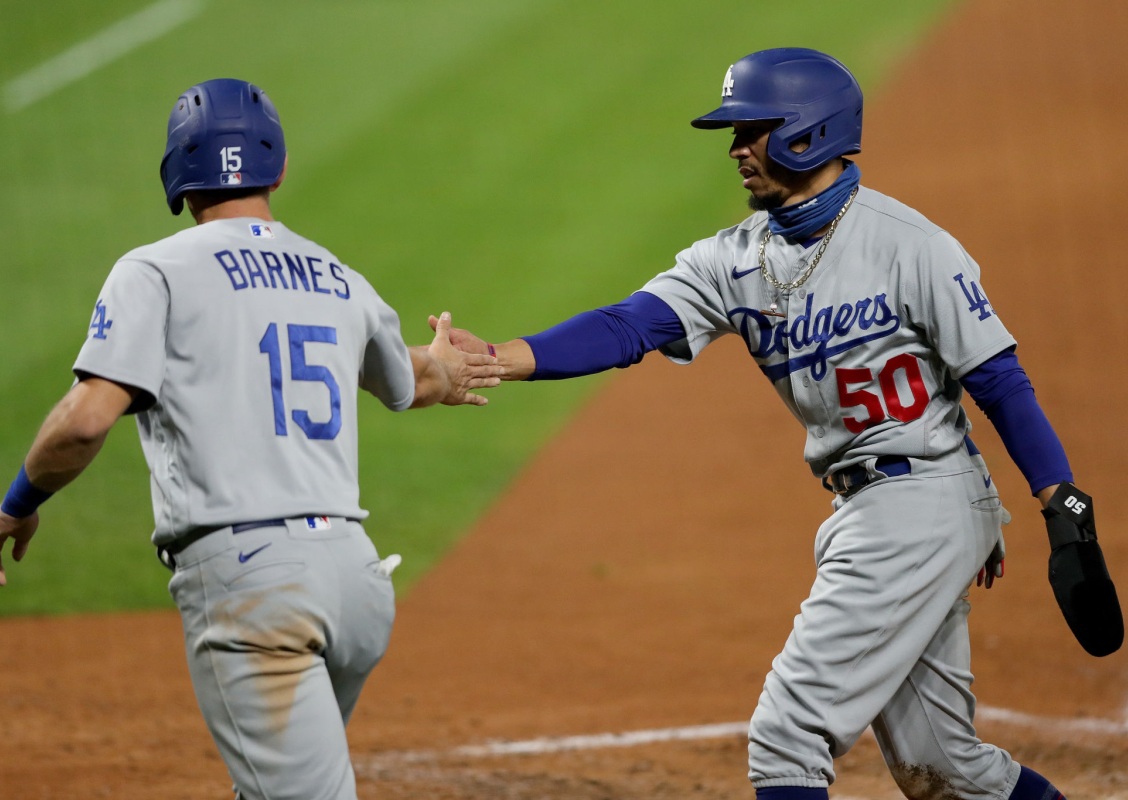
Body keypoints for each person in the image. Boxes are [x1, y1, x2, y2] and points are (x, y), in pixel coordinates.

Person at [435, 49, 1076, 800]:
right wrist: (502, 359)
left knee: (787, 735)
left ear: (810, 132)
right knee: (947, 767)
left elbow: (997, 380)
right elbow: (627, 326)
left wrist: (1061, 504)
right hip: (881, 508)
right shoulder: (733, 259)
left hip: (921, 502)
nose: (737, 149)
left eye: (753, 131)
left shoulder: (912, 246)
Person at [0, 78, 500, 800]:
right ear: (276, 168)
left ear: (178, 174)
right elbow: (412, 379)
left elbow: (89, 417)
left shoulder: (153, 271)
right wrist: (442, 360)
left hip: (254, 596)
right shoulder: (338, 277)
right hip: (355, 583)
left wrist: (18, 502)